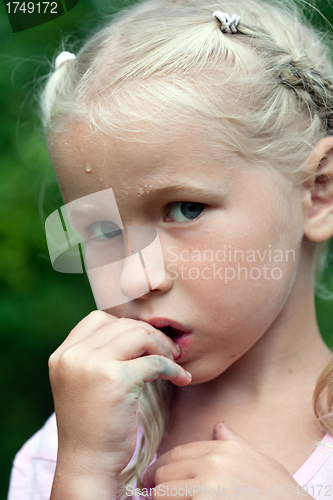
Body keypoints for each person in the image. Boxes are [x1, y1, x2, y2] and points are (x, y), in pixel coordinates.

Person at [7, 0, 333, 498]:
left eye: (185, 209)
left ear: (319, 191)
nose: (135, 277)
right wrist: (84, 474)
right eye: (102, 231)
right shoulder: (71, 447)